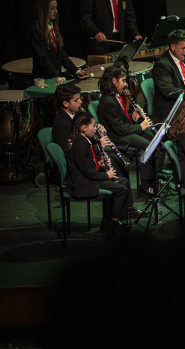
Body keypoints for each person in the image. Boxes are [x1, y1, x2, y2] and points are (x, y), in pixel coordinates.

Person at [95, 66, 162, 196]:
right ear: (114, 81)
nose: (125, 84)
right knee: (149, 147)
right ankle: (146, 185)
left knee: (156, 141)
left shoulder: (116, 97)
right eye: (123, 81)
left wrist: (133, 117)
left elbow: (122, 122)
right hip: (117, 137)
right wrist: (141, 126)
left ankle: (155, 179)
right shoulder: (108, 101)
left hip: (125, 132)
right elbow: (119, 129)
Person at [65, 112, 133, 231]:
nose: (95, 128)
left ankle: (111, 218)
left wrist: (100, 163)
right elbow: (87, 172)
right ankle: (114, 221)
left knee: (124, 181)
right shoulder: (80, 145)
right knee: (121, 189)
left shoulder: (85, 140)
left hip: (89, 179)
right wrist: (106, 174)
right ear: (84, 128)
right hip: (84, 184)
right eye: (93, 125)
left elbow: (88, 164)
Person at [29, 0, 88, 83]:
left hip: (55, 76)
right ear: (44, 10)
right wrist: (57, 77)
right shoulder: (36, 29)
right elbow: (43, 58)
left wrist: (76, 70)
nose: (56, 11)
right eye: (52, 8)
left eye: (56, 8)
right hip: (44, 79)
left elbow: (61, 54)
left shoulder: (53, 26)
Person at [150, 29, 185, 123]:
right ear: (173, 47)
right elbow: (169, 91)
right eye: (183, 48)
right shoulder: (162, 65)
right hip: (173, 107)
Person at [52, 83, 83, 150]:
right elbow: (72, 150)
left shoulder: (76, 113)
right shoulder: (62, 124)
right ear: (66, 103)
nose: (80, 102)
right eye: (76, 100)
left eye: (80, 98)